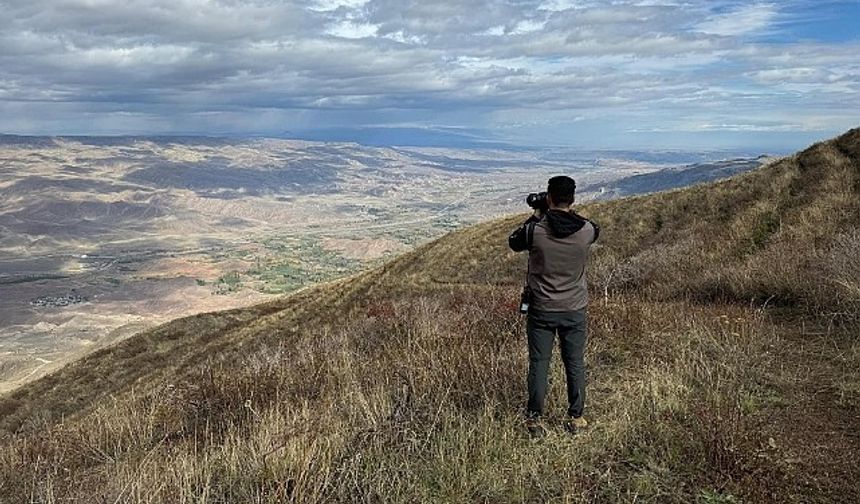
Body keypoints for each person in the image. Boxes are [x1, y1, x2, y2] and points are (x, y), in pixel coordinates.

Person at [508, 175, 599, 436]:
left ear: (549, 198)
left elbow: (514, 242)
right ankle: (576, 417)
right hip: (574, 308)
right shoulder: (586, 231)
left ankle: (534, 420)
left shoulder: (535, 232)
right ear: (573, 198)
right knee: (575, 362)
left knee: (539, 363)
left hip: (542, 309)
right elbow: (591, 225)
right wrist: (565, 210)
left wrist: (538, 214)